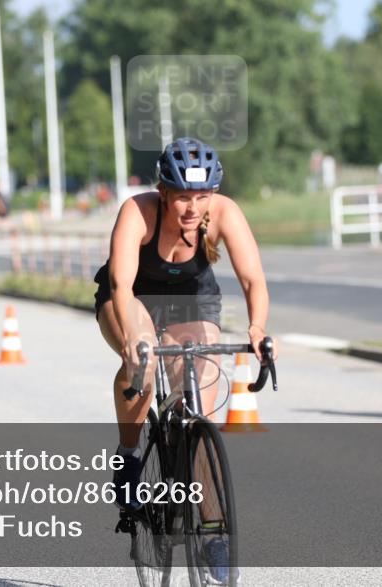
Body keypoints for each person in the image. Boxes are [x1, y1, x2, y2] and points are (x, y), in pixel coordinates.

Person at [94, 138, 273, 579]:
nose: (193, 208)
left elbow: (253, 279)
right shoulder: (139, 211)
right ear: (164, 191)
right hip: (132, 295)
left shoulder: (225, 213)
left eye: (202, 196)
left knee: (199, 399)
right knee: (145, 362)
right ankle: (130, 456)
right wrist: (137, 340)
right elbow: (120, 285)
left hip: (193, 301)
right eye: (183, 197)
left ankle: (212, 531)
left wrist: (257, 328)